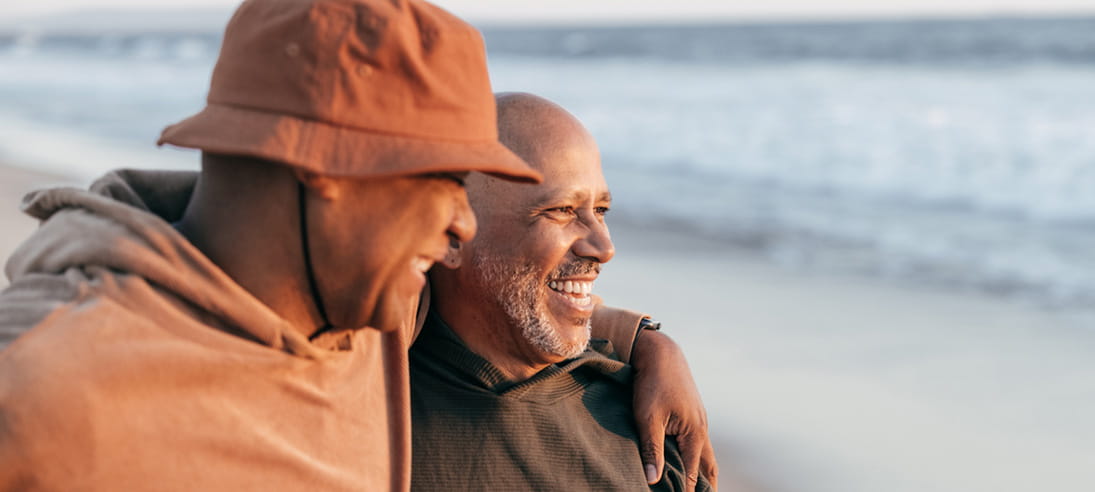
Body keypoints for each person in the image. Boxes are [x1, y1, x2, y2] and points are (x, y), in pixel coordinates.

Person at [0, 0, 714, 490]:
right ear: (327, 176)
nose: (460, 225)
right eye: (440, 181)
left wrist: (643, 338)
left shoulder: (368, 316)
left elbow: (499, 294)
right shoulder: (44, 390)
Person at [410, 93, 714, 492]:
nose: (604, 247)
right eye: (562, 210)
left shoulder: (647, 430)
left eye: (600, 211)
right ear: (451, 235)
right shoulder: (363, 401)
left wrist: (650, 342)